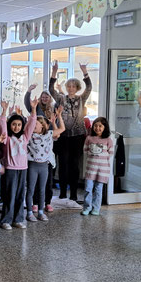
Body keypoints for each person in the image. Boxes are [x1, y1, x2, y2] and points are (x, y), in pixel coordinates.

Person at [50, 61, 92, 202]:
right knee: (63, 165)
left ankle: (73, 194)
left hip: (78, 137)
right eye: (69, 86)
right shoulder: (61, 98)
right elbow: (51, 90)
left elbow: (89, 87)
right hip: (63, 136)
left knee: (74, 165)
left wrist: (85, 71)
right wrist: (54, 72)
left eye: (74, 86)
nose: (71, 88)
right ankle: (62, 193)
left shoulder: (81, 99)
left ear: (77, 87)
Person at [0, 100, 36, 230]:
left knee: (20, 195)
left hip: (23, 169)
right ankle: (5, 220)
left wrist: (34, 109)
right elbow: (2, 125)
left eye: (19, 125)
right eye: (14, 124)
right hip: (10, 170)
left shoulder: (25, 137)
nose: (16, 127)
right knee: (10, 195)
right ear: (10, 125)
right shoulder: (7, 138)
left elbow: (32, 124)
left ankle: (18, 219)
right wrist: (4, 111)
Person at [26, 105, 65, 222]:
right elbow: (28, 126)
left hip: (44, 166)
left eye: (36, 124)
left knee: (42, 189)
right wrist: (32, 113)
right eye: (33, 124)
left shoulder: (48, 135)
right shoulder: (29, 135)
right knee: (31, 189)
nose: (33, 125)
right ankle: (29, 212)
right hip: (33, 166)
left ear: (42, 126)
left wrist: (59, 116)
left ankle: (41, 212)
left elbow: (62, 129)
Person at [25, 87, 57, 213]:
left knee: (47, 183)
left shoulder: (53, 109)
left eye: (47, 97)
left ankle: (47, 203)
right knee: (34, 183)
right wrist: (29, 91)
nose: (44, 98)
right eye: (43, 96)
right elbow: (28, 104)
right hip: (35, 159)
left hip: (47, 156)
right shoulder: (36, 107)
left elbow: (58, 130)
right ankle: (35, 203)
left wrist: (55, 121)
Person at [81, 117, 113, 216]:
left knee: (98, 190)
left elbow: (111, 153)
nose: (97, 128)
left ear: (105, 127)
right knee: (88, 189)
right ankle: (87, 207)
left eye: (100, 126)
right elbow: (85, 150)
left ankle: (96, 208)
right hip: (90, 169)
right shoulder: (89, 138)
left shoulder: (108, 140)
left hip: (102, 170)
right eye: (95, 125)